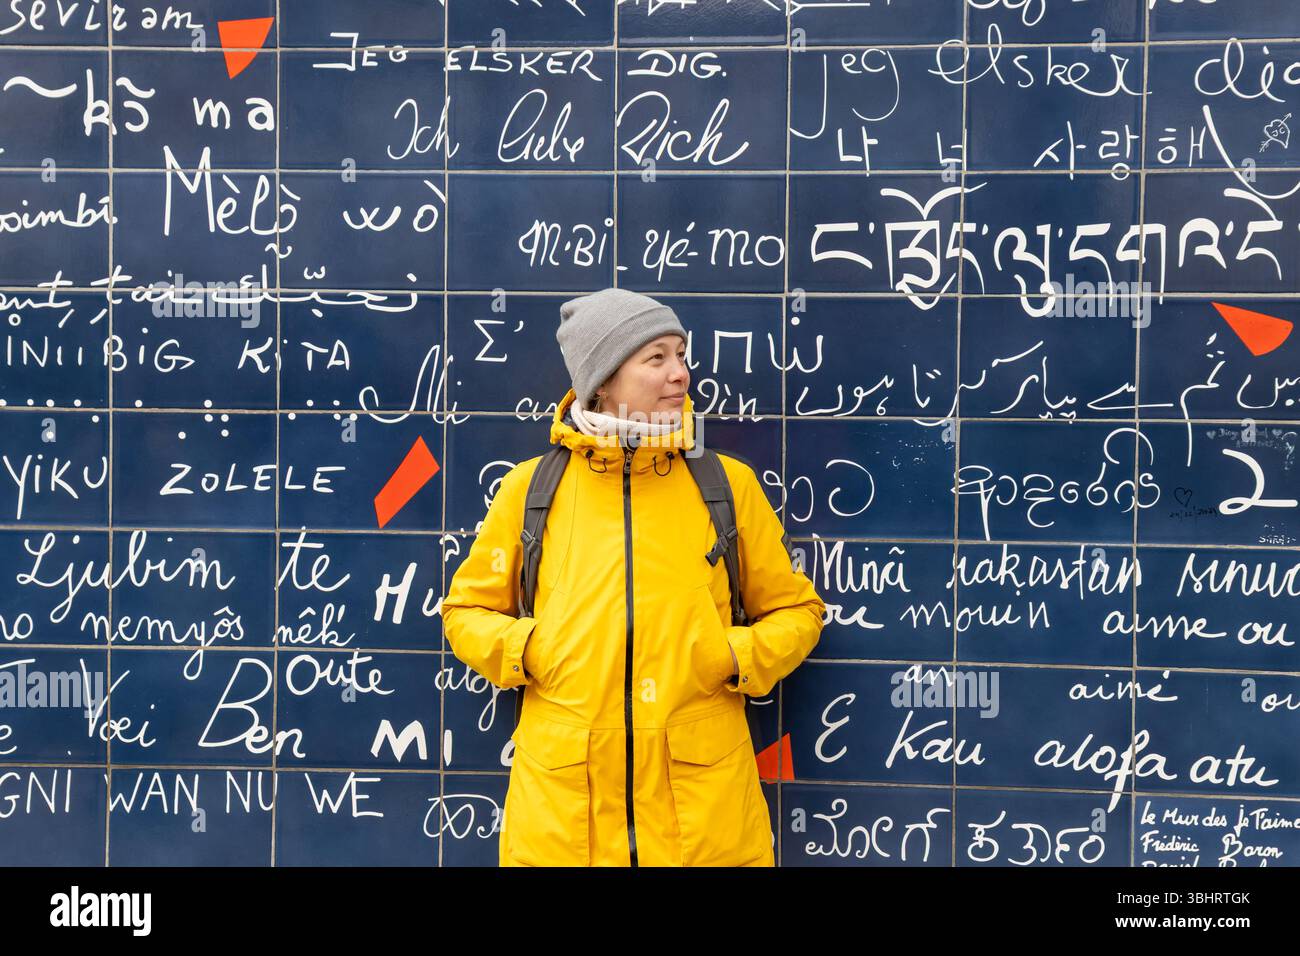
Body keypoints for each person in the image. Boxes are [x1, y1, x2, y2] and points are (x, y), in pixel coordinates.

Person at [442, 287, 826, 867]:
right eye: (657, 359)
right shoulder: (530, 491)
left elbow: (799, 612)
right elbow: (465, 612)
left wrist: (733, 654)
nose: (681, 374)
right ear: (603, 382)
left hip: (703, 820)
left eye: (681, 354)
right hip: (564, 819)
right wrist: (535, 649)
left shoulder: (726, 485)